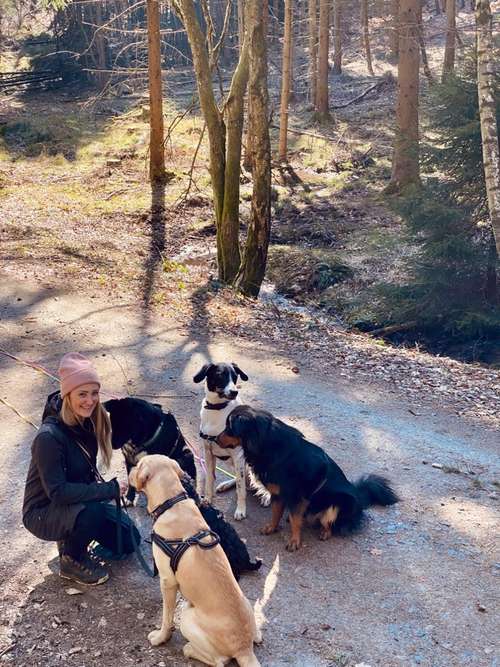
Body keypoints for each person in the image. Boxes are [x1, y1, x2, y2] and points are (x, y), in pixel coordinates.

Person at [22, 352, 139, 586]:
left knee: (129, 540)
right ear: (67, 395)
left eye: (94, 393)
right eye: (82, 394)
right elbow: (58, 492)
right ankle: (71, 559)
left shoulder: (88, 421)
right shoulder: (48, 437)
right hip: (42, 511)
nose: (90, 400)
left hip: (73, 501)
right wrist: (108, 490)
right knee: (92, 512)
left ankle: (75, 532)